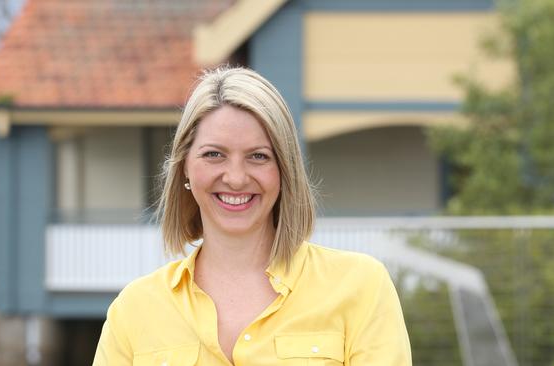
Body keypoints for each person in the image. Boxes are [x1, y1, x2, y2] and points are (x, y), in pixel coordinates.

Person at [93, 67, 411, 365]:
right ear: (185, 167)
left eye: (258, 156)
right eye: (214, 154)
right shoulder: (133, 310)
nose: (235, 177)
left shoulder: (360, 286)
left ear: (284, 170)